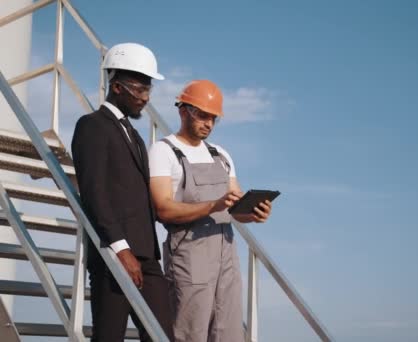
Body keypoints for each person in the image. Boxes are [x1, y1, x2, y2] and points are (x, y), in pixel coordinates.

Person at [148, 80, 273, 342]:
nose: (209, 124)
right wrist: (212, 206)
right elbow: (163, 209)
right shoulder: (164, 151)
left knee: (229, 332)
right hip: (189, 253)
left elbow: (234, 209)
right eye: (203, 116)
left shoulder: (221, 155)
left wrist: (254, 214)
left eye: (213, 118)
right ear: (184, 110)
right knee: (190, 332)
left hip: (225, 253)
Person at [71, 42, 172, 341]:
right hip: (115, 254)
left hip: (147, 255)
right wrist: (121, 248)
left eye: (148, 90)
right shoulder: (92, 126)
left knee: (161, 335)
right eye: (139, 90)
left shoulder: (136, 136)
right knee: (109, 336)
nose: (145, 98)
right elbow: (94, 192)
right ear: (117, 87)